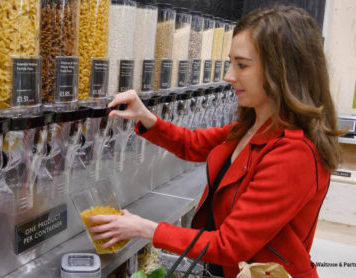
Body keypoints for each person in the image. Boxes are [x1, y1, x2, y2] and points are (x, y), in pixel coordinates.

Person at [87, 5, 344, 278]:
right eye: (230, 62)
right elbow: (192, 143)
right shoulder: (253, 127)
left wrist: (144, 228)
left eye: (242, 65)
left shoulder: (294, 153)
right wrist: (147, 117)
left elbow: (230, 244)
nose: (228, 76)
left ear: (281, 71)